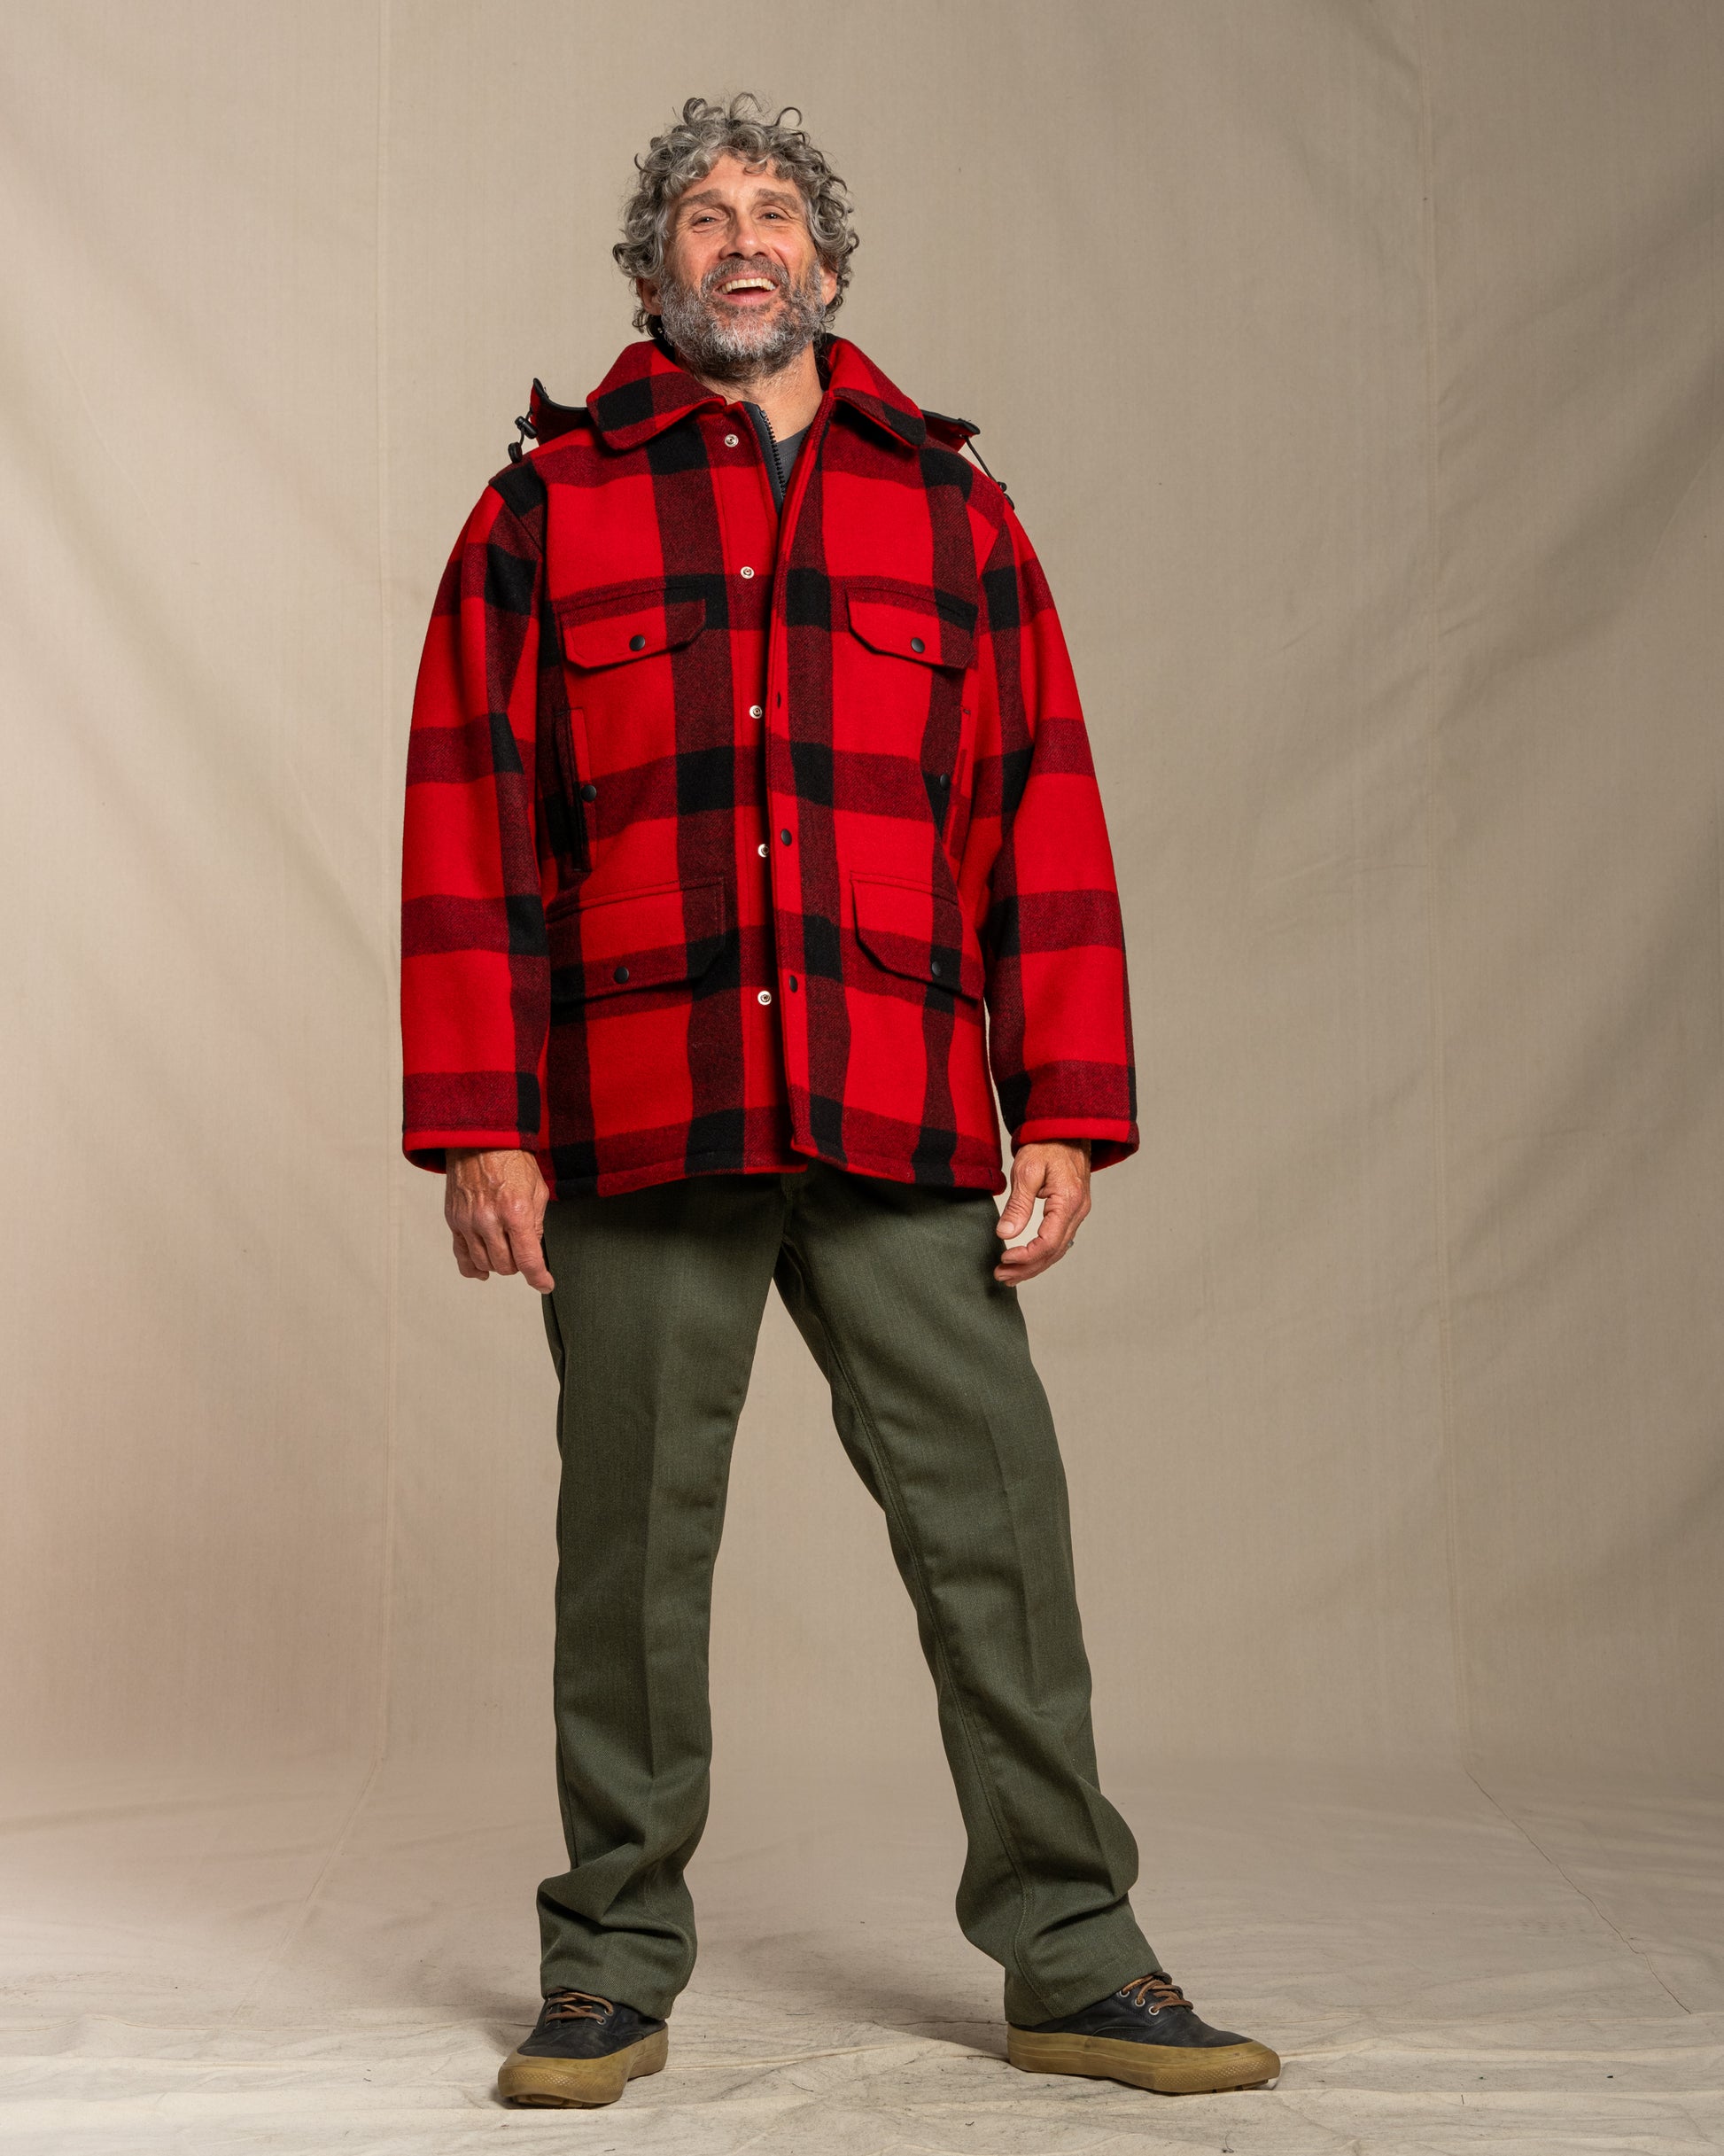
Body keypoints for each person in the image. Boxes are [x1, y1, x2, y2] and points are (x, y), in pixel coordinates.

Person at [400, 90, 1278, 2112]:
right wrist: (479, 1120)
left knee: (999, 1536)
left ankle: (1073, 1951)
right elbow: (468, 823)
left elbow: (1039, 812)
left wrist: (1061, 1102)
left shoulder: (955, 516)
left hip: (895, 1104)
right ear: (647, 278)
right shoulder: (543, 514)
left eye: (773, 209)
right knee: (626, 1555)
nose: (740, 237)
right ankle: (609, 1965)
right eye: (700, 213)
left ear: (823, 266)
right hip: (635, 1107)